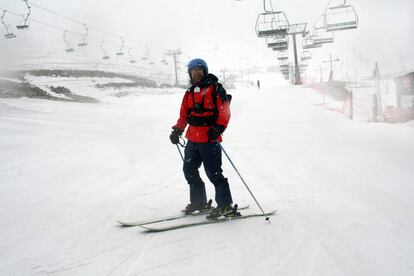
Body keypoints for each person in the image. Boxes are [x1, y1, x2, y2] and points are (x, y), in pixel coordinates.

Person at [169, 58, 236, 219]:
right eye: (193, 71)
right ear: (190, 74)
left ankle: (225, 205)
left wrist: (219, 128)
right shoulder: (189, 93)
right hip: (193, 139)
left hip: (209, 139)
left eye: (199, 71)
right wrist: (177, 130)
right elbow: (184, 115)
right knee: (189, 170)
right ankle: (198, 202)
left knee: (214, 173)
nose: (196, 74)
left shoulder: (216, 89)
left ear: (205, 72)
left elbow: (224, 111)